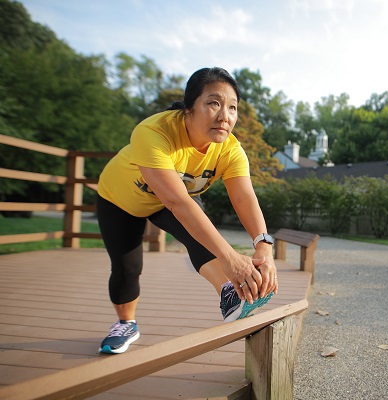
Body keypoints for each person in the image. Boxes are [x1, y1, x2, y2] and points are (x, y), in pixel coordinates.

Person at [95, 67, 278, 354]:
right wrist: (231, 257)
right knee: (127, 268)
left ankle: (229, 295)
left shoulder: (230, 149)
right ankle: (125, 323)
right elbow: (177, 202)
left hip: (172, 198)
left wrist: (264, 247)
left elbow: (244, 196)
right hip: (119, 199)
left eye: (232, 107)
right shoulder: (153, 132)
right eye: (213, 103)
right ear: (189, 108)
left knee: (201, 236)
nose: (224, 116)